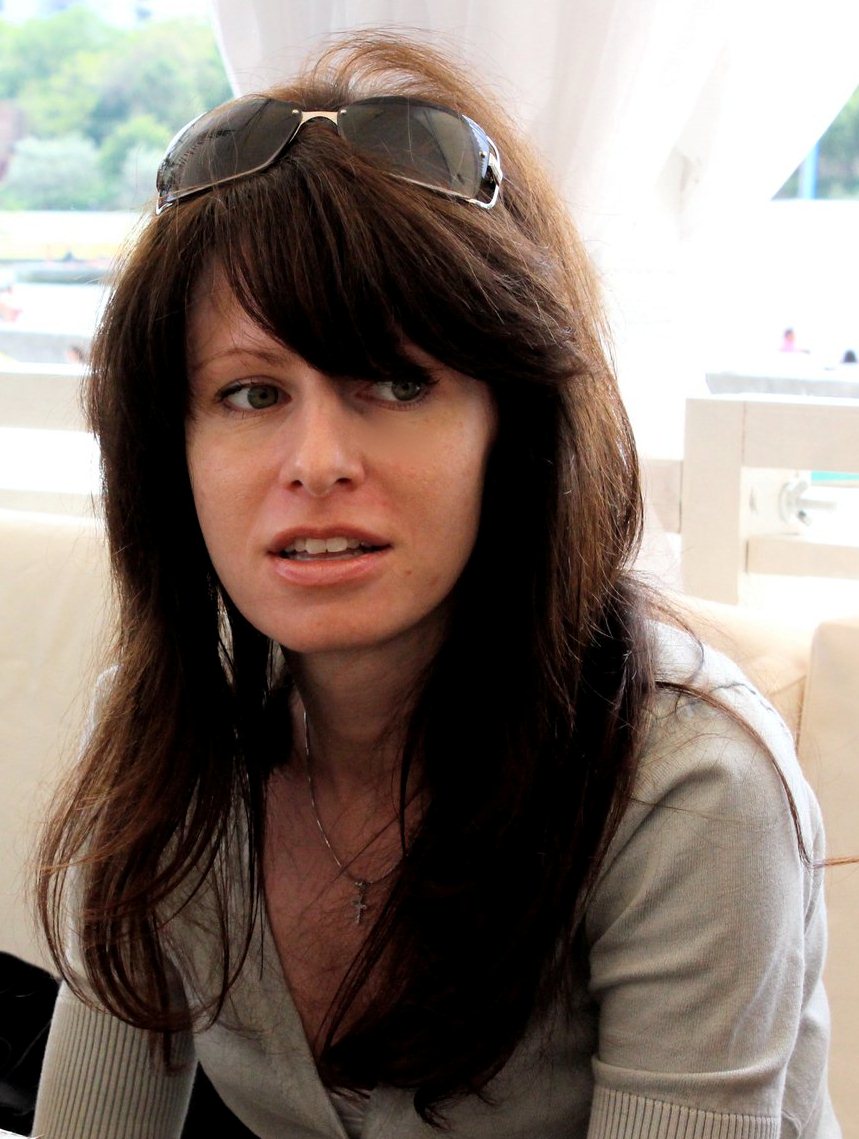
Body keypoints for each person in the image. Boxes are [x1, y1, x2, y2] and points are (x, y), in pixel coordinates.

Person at [33, 32, 837, 1139]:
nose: (317, 461)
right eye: (252, 394)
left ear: (514, 428)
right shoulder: (174, 732)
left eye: (396, 381)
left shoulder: (687, 791)